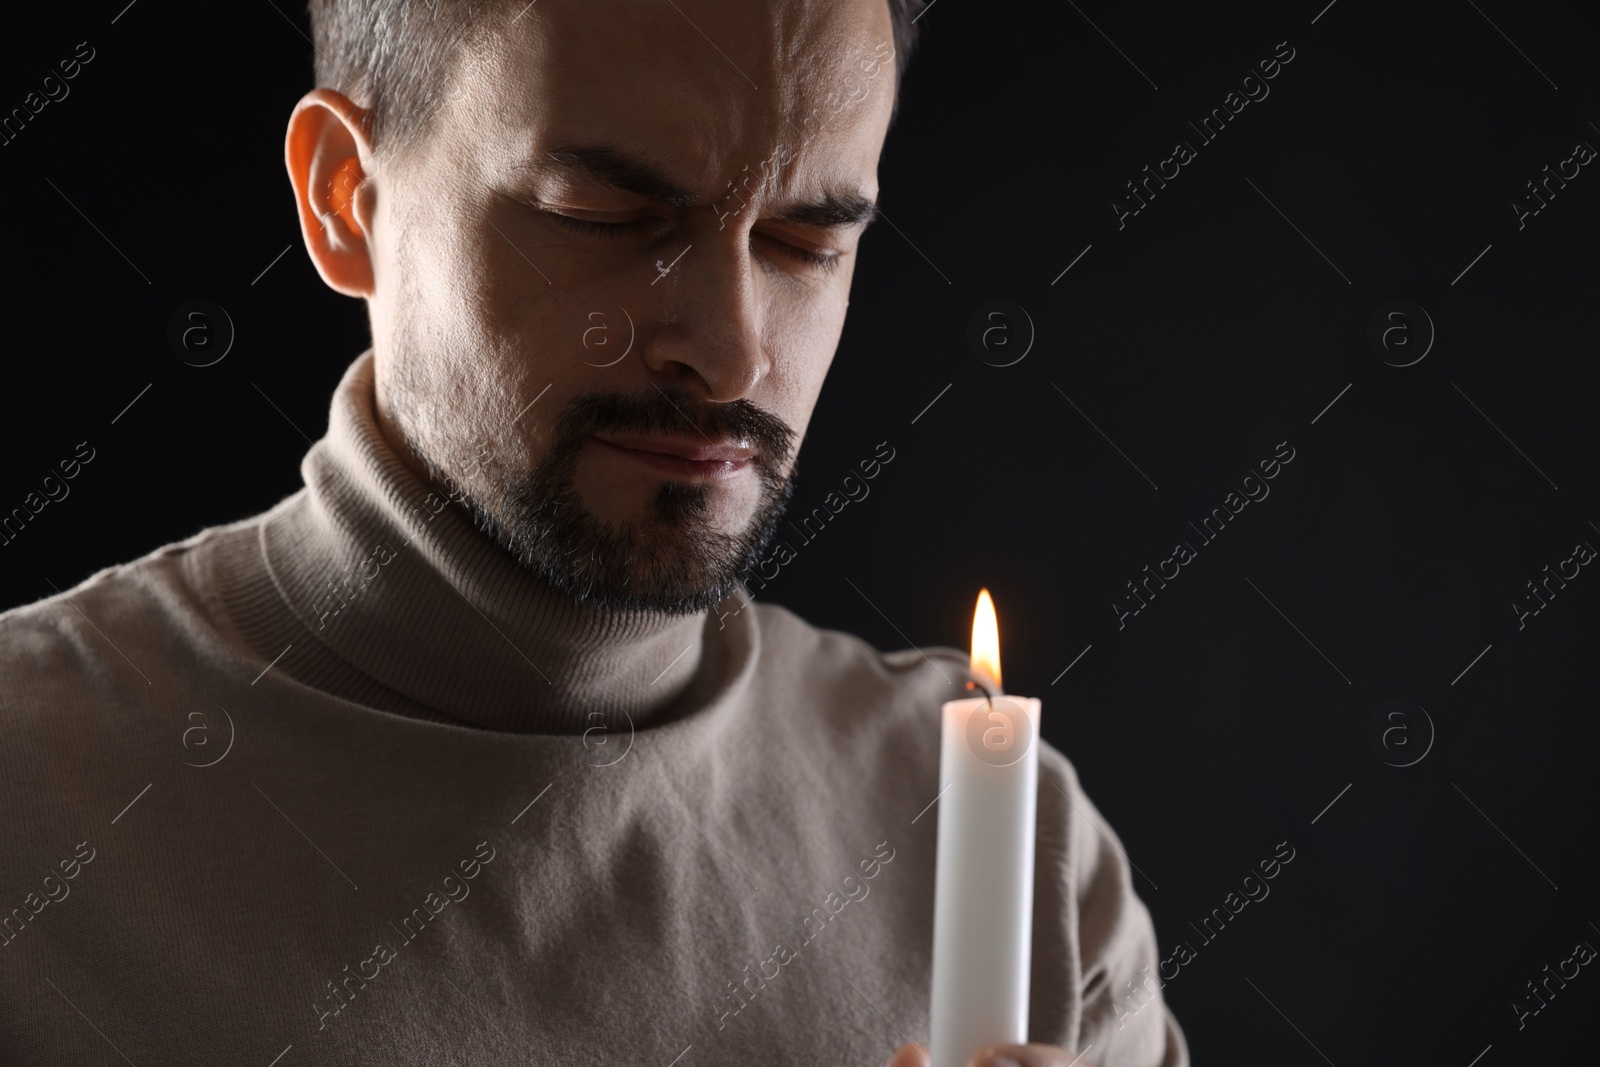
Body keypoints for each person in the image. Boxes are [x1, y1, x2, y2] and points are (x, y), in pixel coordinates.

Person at [0, 1, 1187, 1064]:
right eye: (608, 215)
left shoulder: (1008, 850)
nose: (729, 352)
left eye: (805, 242)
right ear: (345, 200)